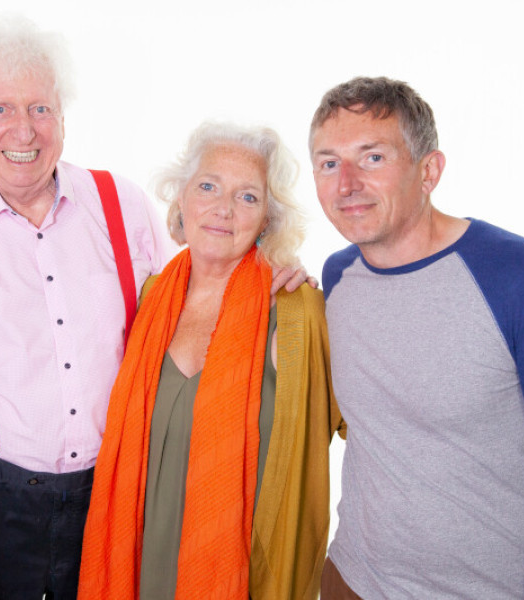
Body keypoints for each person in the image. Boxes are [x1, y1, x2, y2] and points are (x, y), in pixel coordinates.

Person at [0, 16, 310, 600]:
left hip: (116, 498)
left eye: (40, 108)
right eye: (0, 110)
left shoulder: (122, 205)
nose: (24, 130)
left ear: (62, 116)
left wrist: (272, 272)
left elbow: (196, 295)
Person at [310, 76, 524, 599]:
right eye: (329, 162)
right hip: (352, 581)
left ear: (429, 171)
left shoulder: (522, 277)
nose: (346, 184)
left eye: (372, 157)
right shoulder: (336, 279)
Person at [77, 122, 344, 600]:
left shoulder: (296, 312)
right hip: (138, 563)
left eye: (247, 197)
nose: (223, 210)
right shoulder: (149, 298)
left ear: (267, 218)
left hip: (238, 575)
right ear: (181, 199)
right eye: (208, 187)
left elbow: (361, 426)